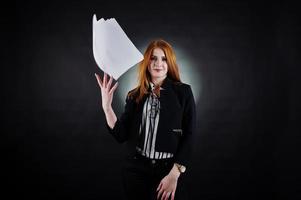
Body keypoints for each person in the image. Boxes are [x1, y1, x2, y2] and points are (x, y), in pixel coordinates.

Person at [95, 39, 196, 200]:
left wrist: (174, 175)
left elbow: (189, 135)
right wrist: (107, 107)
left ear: (170, 63)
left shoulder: (183, 93)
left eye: (164, 59)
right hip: (136, 171)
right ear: (146, 62)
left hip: (168, 170)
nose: (158, 63)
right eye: (153, 58)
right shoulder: (134, 95)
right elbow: (121, 135)